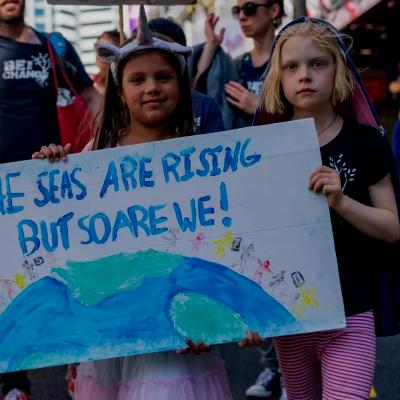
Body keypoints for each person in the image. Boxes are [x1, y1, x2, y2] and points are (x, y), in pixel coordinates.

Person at [32, 5, 233, 400]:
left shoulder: (203, 159)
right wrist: (50, 170)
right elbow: (66, 224)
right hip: (113, 322)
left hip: (177, 321)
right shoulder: (97, 153)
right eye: (137, 79)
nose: (152, 88)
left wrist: (217, 317)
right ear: (120, 92)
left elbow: (226, 238)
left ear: (182, 83)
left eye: (163, 77)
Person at [251, 17, 400, 399]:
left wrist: (343, 202)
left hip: (351, 312)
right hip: (291, 318)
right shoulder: (261, 149)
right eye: (291, 67)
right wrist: (248, 309)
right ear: (278, 79)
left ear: (339, 71)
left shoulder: (367, 143)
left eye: (318, 63)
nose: (305, 75)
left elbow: (391, 227)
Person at [0, 0, 99, 398]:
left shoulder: (53, 44)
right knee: (8, 284)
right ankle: (13, 381)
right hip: (5, 192)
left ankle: (83, 362)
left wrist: (110, 147)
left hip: (54, 186)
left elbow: (93, 97)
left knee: (68, 275)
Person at [190, 0, 284, 128]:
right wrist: (211, 45)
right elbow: (195, 94)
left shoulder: (290, 63)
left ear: (274, 10)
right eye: (237, 11)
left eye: (249, 8)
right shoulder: (236, 65)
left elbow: (303, 113)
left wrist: (262, 109)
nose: (241, 16)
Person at [147, 17, 225, 134]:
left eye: (165, 51)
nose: (152, 88)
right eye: (138, 80)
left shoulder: (204, 106)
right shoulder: (126, 112)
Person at [92, 29, 125, 95]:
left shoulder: (123, 85)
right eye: (97, 49)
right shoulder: (88, 83)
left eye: (105, 51)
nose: (99, 55)